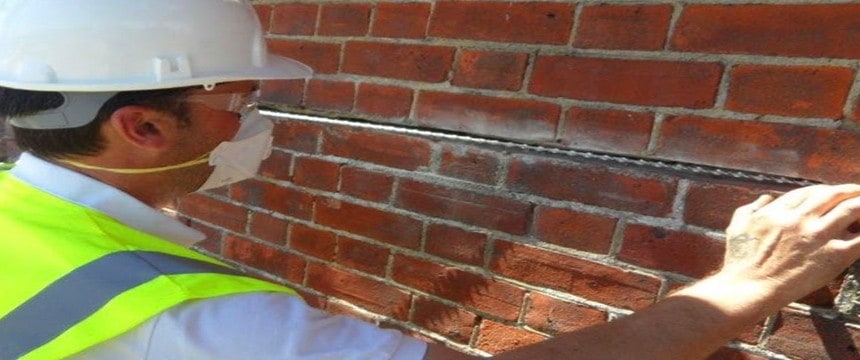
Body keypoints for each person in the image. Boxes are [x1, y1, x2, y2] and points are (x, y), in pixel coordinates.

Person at [1, 1, 858, 359]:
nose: (252, 122)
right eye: (240, 100)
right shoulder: (197, 323)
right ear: (144, 127)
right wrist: (748, 287)